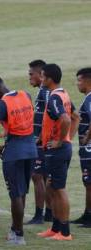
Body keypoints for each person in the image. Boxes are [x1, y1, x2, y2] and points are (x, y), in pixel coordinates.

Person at [0, 75, 37, 245]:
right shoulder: (25, 94)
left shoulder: (2, 104)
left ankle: (18, 235)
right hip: (31, 150)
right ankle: (15, 229)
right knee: (22, 192)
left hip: (14, 152)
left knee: (15, 194)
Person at [37, 64, 79, 241]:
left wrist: (61, 140)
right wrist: (66, 138)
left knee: (58, 189)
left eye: (42, 76)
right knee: (51, 187)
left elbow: (66, 119)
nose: (40, 79)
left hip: (58, 150)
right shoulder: (63, 93)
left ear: (49, 79)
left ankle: (66, 232)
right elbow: (76, 116)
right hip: (60, 148)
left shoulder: (54, 97)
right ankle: (55, 228)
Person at [26, 59, 52, 224]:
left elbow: (54, 112)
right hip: (41, 141)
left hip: (42, 142)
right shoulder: (43, 91)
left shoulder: (46, 91)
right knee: (43, 177)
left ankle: (39, 215)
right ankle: (48, 213)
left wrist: (42, 136)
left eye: (31, 74)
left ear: (41, 74)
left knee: (37, 176)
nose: (29, 77)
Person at [72, 67, 91, 227]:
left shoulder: (90, 99)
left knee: (89, 181)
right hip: (87, 150)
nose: (77, 84)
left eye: (79, 80)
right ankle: (87, 214)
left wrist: (87, 137)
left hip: (89, 149)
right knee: (87, 182)